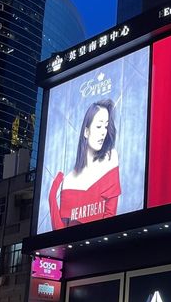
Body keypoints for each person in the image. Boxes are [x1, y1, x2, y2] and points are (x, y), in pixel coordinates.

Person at [48, 98, 121, 230]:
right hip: (74, 249)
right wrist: (52, 198)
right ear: (86, 132)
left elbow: (111, 216)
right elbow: (61, 234)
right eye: (99, 126)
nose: (103, 132)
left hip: (103, 246)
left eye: (106, 126)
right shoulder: (69, 180)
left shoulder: (110, 158)